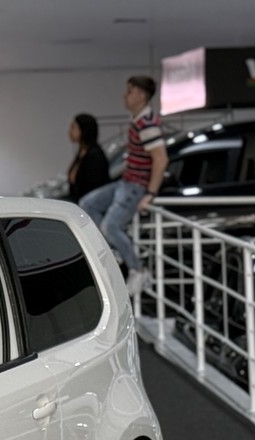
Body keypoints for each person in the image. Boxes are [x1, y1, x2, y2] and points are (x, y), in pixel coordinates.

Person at [79, 75, 168, 297]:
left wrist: (150, 193)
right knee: (88, 204)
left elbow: (161, 159)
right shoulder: (138, 120)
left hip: (135, 186)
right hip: (126, 182)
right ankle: (115, 249)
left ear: (141, 96)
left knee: (110, 226)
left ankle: (137, 269)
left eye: (129, 91)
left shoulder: (147, 125)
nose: (124, 95)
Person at [67, 113, 109, 203]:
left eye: (73, 127)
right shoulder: (82, 152)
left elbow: (94, 186)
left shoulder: (95, 155)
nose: (70, 131)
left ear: (84, 130)